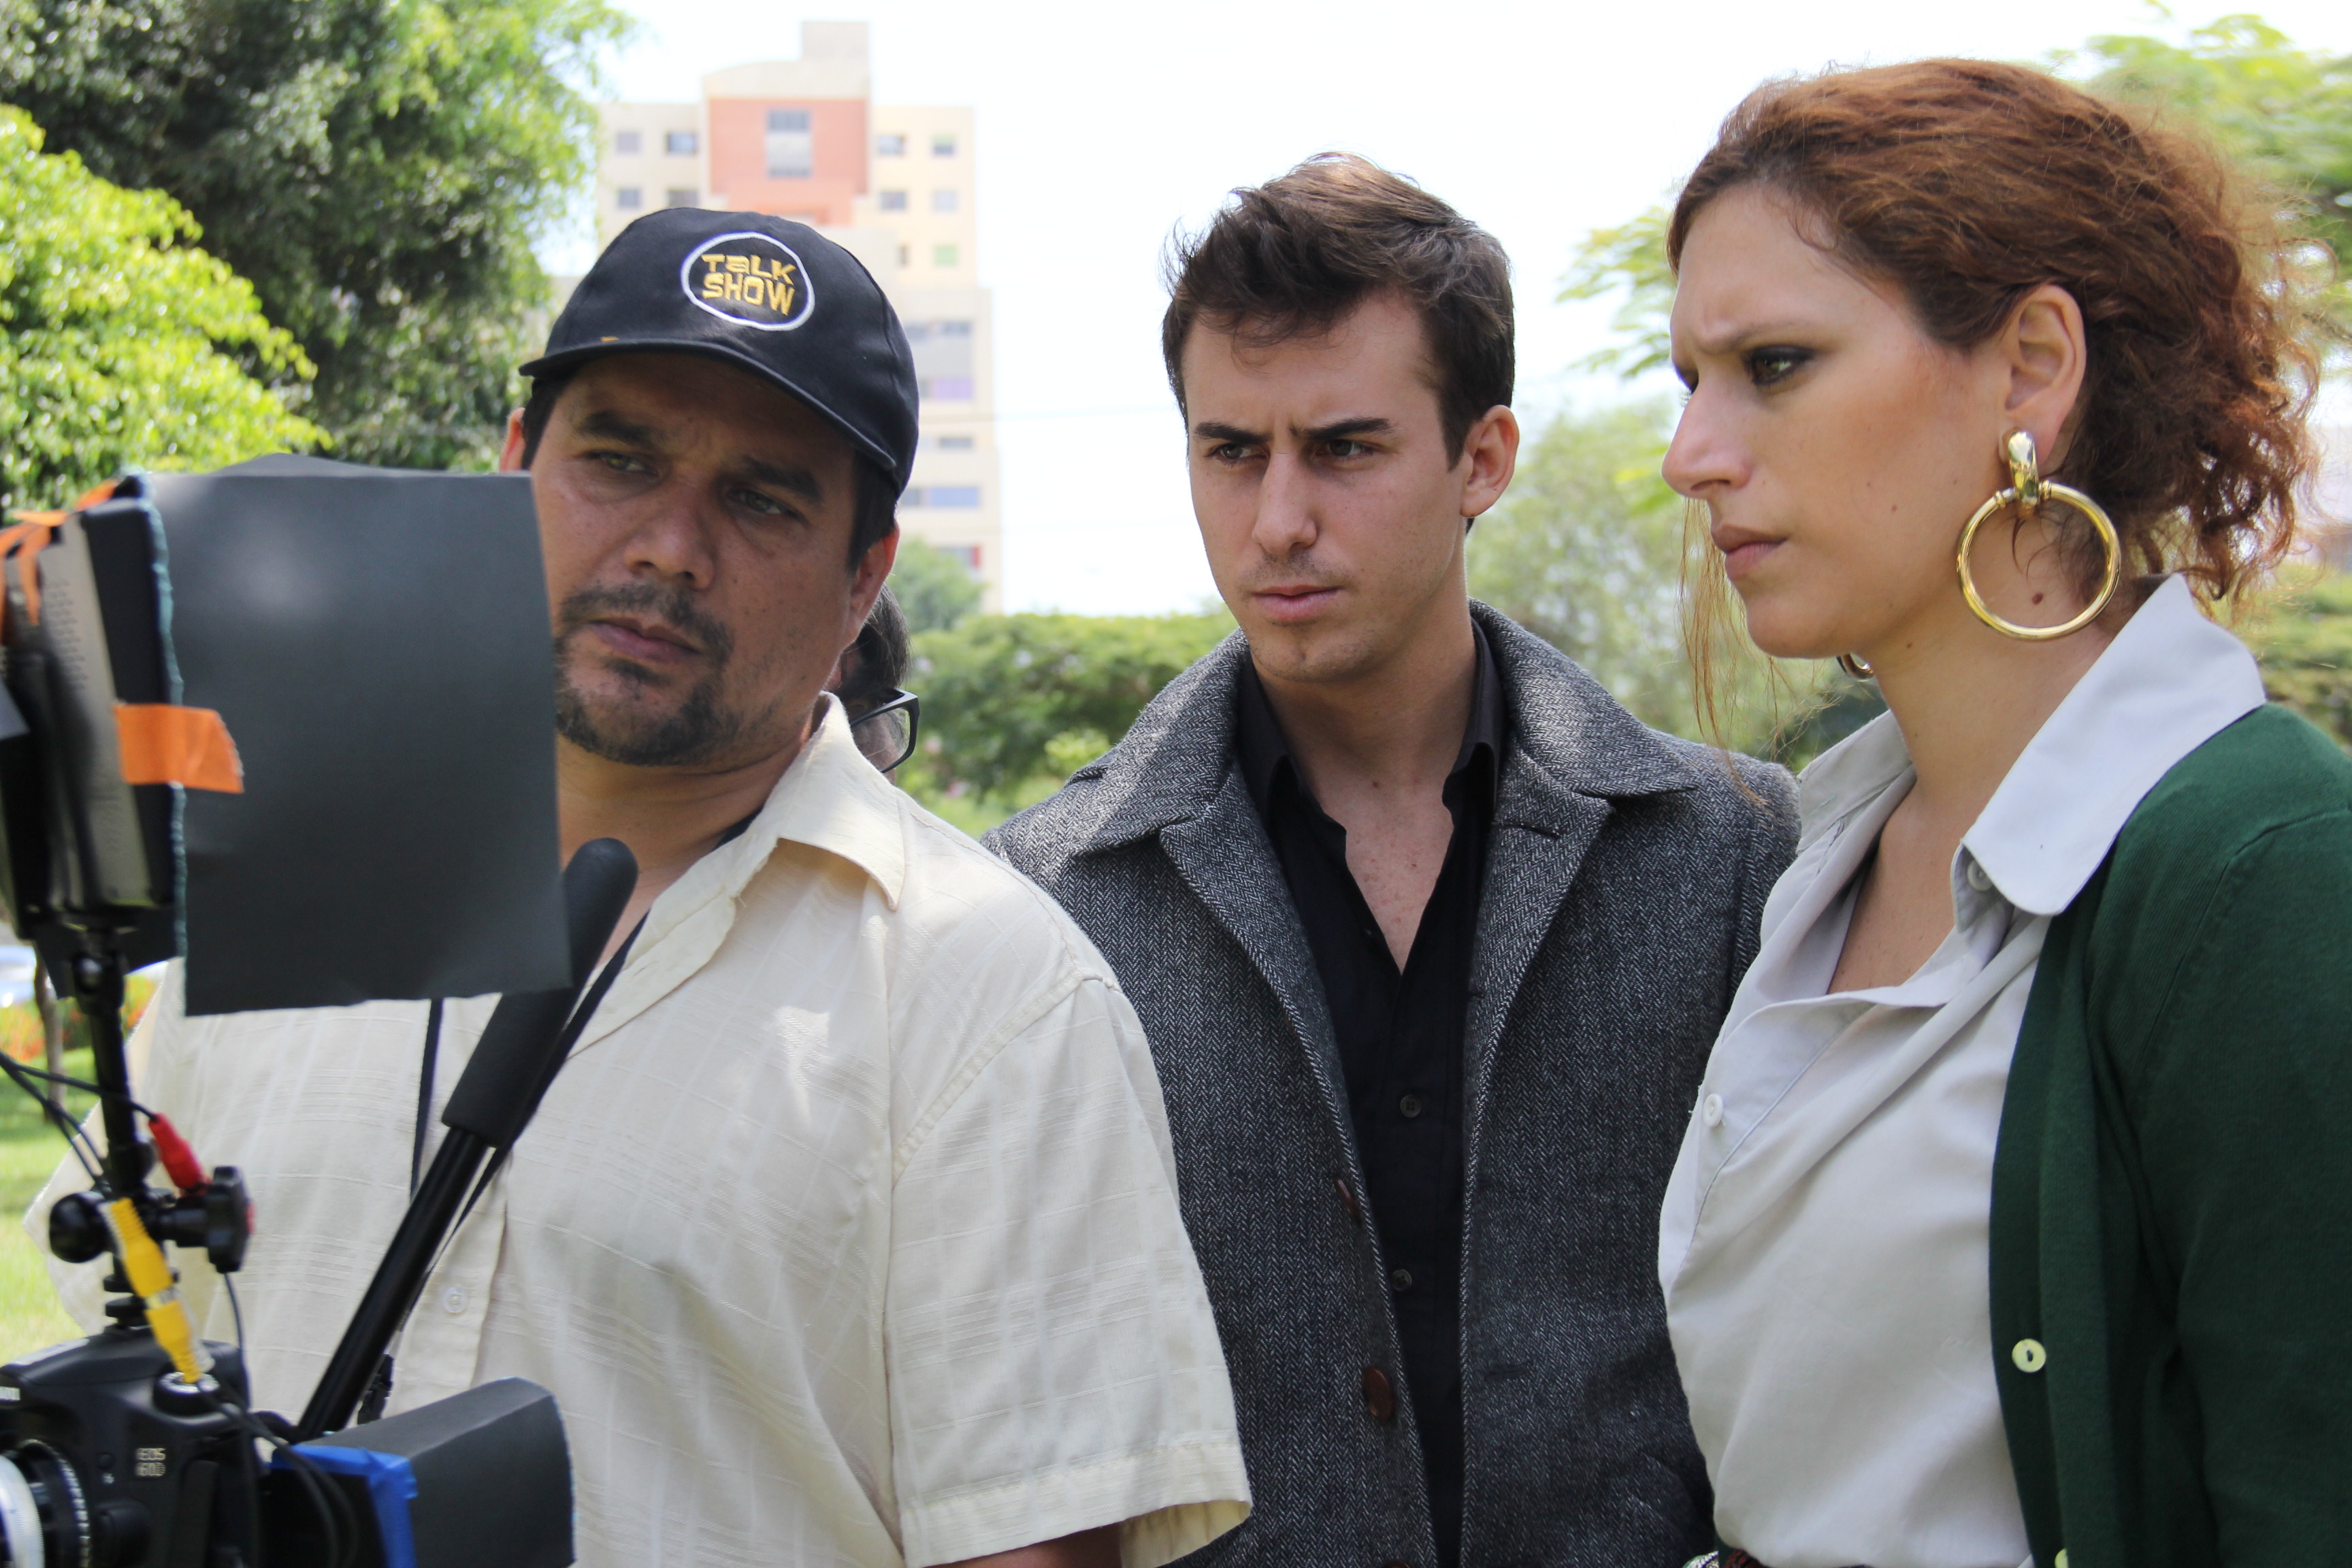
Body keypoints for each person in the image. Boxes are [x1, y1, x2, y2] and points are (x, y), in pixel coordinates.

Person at [36, 208, 1250, 1568]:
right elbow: (120, 1389)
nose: (673, 545)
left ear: (864, 582)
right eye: (617, 461)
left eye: (763, 498)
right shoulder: (272, 886)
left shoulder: (993, 998)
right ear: (511, 472)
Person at [990, 154, 1797, 1567]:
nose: (1278, 521)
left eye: (1345, 448)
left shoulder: (1729, 854)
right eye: (1231, 450)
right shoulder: (1048, 900)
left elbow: (1802, 1338)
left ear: (1483, 457)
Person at [1655, 61, 2352, 1568]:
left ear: (2031, 366)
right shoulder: (1821, 848)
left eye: (1773, 363)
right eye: (1687, 381)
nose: (1692, 454)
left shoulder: (2255, 862)